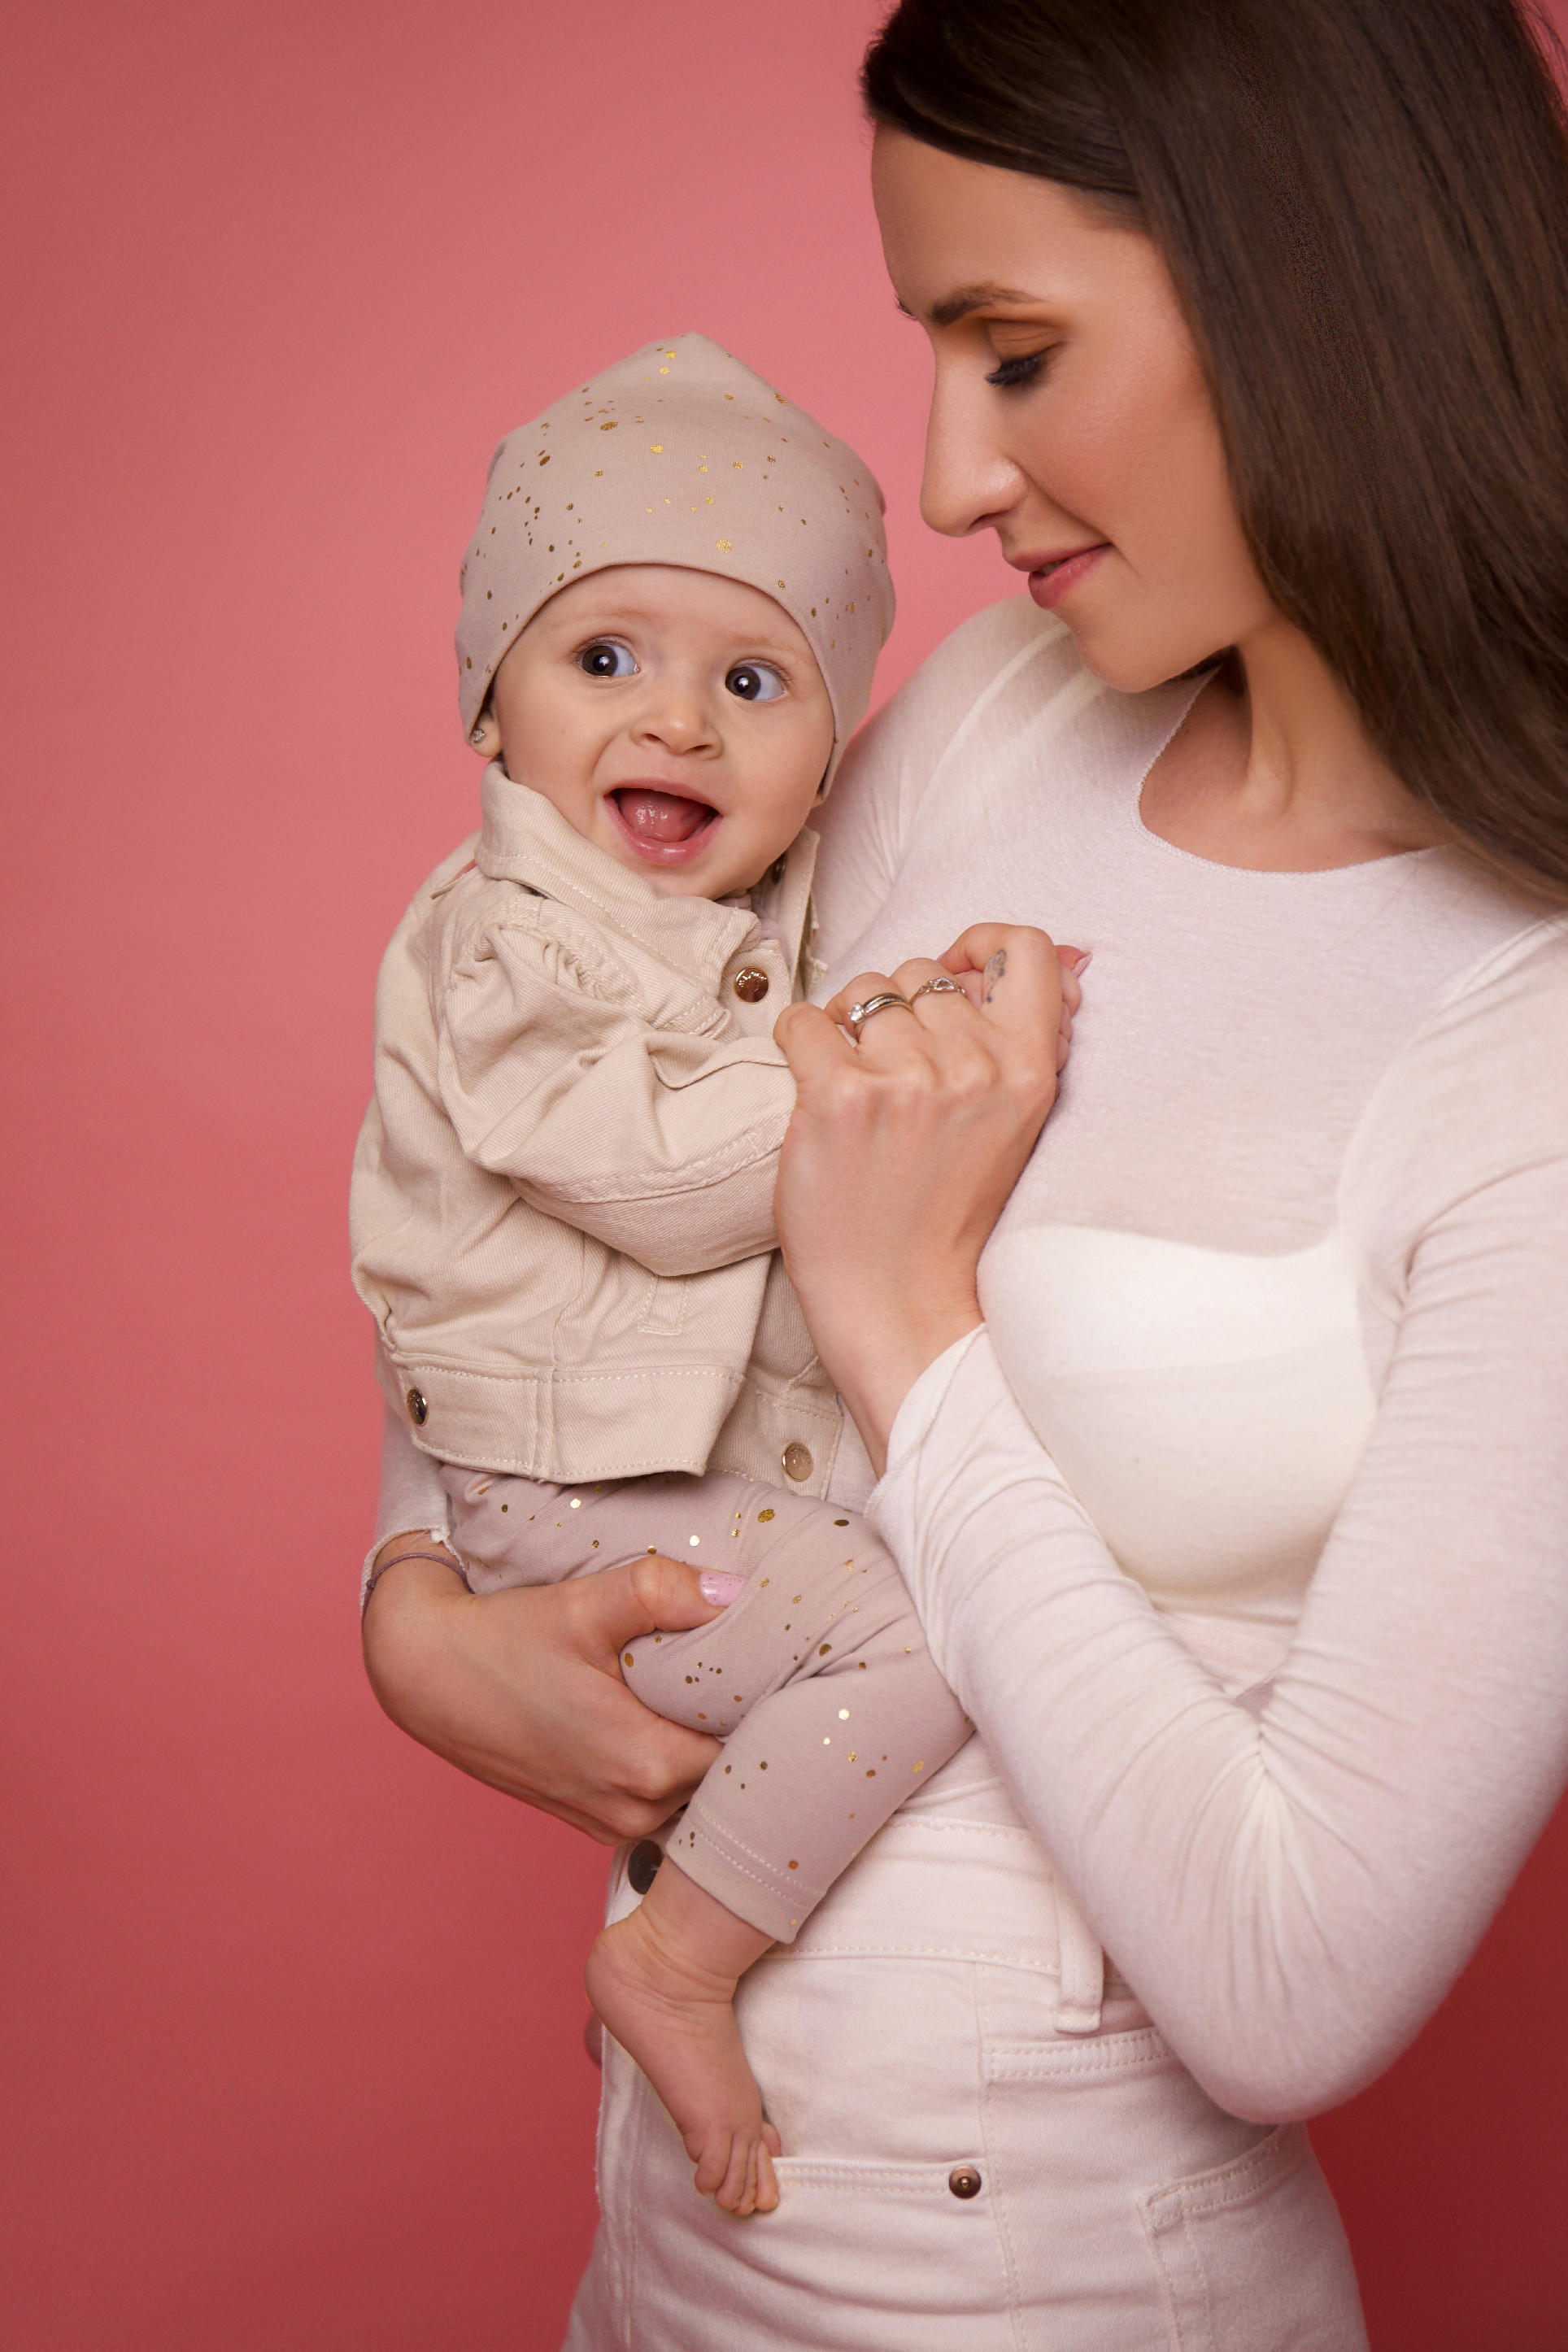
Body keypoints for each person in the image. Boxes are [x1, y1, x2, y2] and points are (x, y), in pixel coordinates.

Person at [361, 0, 1568, 2341]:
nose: (941, 480)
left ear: (1311, 288)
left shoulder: (1529, 1025)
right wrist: (414, 1605)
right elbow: (541, 1184)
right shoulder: (997, 726)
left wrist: (915, 1331)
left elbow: (1294, 1984)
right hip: (669, 2240)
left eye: (1015, 352)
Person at [351, 333, 986, 2219]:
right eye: (602, 656)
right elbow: (659, 1191)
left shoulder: (733, 912)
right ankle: (677, 1956)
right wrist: (866, 1051)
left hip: (649, 1462)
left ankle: (703, 1925)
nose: (678, 724)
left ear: (827, 749)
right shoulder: (503, 940)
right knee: (919, 1641)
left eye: (754, 679)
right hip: (560, 1489)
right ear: (491, 704)